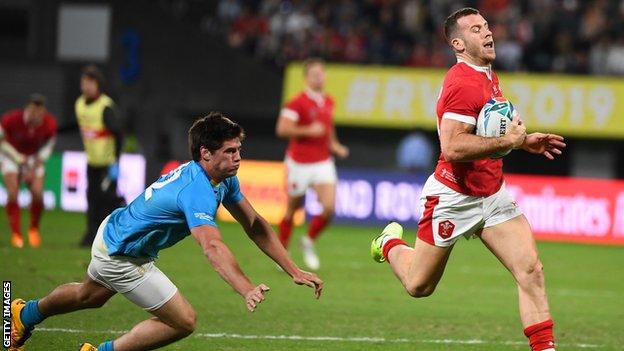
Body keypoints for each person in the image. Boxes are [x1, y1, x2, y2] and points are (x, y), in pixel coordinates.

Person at [10, 112, 323, 351]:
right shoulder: (196, 189)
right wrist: (245, 287)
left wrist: (292, 269)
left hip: (116, 232)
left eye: (238, 149)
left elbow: (254, 225)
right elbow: (212, 247)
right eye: (229, 151)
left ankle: (25, 314)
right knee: (183, 321)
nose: (237, 156)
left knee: (87, 296)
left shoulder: (222, 179)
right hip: (122, 254)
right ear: (206, 153)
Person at [370, 8, 566, 351]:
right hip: (454, 196)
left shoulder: (487, 74)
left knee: (531, 270)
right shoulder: (461, 82)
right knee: (419, 286)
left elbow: (493, 131)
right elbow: (453, 146)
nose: (488, 33)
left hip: (492, 194)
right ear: (459, 44)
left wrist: (523, 140)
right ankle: (389, 243)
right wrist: (509, 141)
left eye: (487, 26)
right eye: (477, 29)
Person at [275, 58, 349, 270]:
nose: (319, 77)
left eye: (321, 73)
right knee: (292, 210)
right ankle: (282, 252)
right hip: (299, 163)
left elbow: (327, 127)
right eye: (315, 74)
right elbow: (282, 129)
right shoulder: (296, 103)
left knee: (329, 207)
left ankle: (307, 241)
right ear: (307, 78)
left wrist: (335, 145)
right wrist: (308, 130)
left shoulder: (328, 101)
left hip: (323, 161)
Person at [75, 64, 125, 247]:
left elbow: (119, 133)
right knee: (92, 198)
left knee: (107, 200)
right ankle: (91, 237)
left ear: (98, 85)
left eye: (90, 82)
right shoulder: (80, 104)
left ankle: (113, 237)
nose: (86, 86)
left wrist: (116, 162)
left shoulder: (105, 107)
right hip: (92, 162)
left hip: (107, 163)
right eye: (84, 82)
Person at [0, 94, 57, 248]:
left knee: (38, 194)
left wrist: (35, 165)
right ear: (28, 109)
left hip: (33, 159)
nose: (37, 116)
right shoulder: (10, 119)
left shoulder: (49, 123)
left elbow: (48, 147)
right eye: (34, 112)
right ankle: (16, 234)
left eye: (40, 113)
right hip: (11, 156)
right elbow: (1, 141)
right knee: (13, 193)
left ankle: (33, 229)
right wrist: (17, 158)